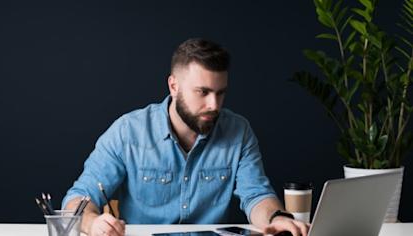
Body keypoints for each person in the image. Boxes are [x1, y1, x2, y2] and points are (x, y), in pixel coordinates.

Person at [62, 38, 309, 236]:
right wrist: (93, 224)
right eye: (203, 92)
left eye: (220, 93)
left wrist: (277, 218)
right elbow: (76, 201)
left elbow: (256, 195)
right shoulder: (128, 131)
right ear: (173, 86)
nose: (214, 105)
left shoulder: (238, 131)